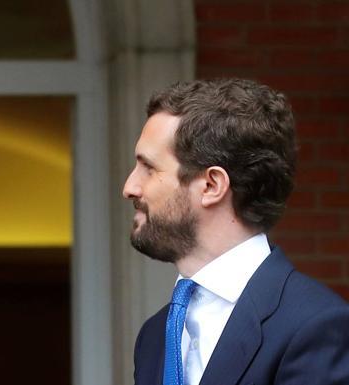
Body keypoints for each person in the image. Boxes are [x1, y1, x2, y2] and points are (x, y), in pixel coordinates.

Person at [123, 78, 349, 385]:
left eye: (148, 168)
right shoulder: (154, 337)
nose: (130, 187)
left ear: (212, 185)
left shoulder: (315, 326)